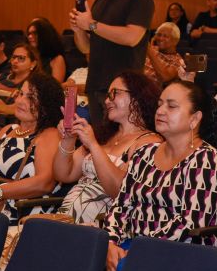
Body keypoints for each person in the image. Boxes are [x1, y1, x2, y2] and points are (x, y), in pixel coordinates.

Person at [104, 80, 217, 271]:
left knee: (125, 269)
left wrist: (139, 250)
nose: (161, 111)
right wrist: (110, 243)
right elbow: (121, 206)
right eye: (160, 104)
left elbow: (189, 224)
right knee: (83, 256)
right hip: (133, 246)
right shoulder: (145, 153)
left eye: (171, 106)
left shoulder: (207, 160)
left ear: (195, 118)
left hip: (183, 253)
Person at [54, 71, 161, 225]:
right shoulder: (103, 136)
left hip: (103, 228)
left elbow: (120, 191)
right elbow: (63, 174)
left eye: (114, 94)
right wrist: (68, 140)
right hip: (66, 219)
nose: (106, 101)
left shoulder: (149, 143)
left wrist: (93, 145)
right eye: (107, 95)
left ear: (137, 97)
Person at [70, 0, 155, 125]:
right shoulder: (100, 2)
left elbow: (132, 37)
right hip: (96, 86)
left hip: (123, 89)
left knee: (119, 145)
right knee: (100, 143)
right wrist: (79, 29)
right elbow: (86, 48)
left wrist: (91, 24)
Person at [0, 72, 63, 221]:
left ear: (46, 106)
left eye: (31, 98)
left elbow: (44, 183)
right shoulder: (7, 130)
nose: (21, 101)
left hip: (21, 215)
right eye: (21, 94)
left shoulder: (49, 134)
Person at [26, 18, 66, 82]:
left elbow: (56, 87)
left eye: (35, 33)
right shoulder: (28, 56)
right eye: (29, 34)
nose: (30, 37)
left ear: (44, 35)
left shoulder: (57, 59)